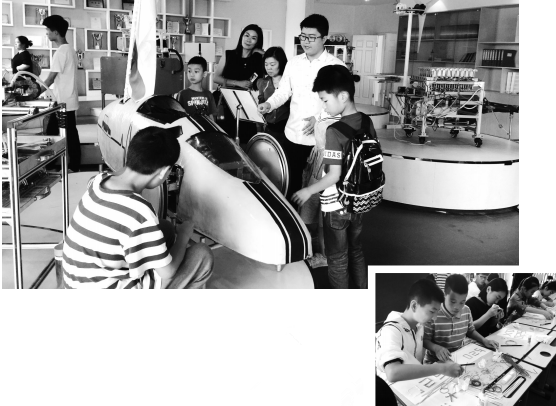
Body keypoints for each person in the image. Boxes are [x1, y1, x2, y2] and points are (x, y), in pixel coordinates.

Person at [61, 127, 214, 289]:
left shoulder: (99, 180)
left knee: (165, 228)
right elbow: (167, 272)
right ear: (163, 171)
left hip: (75, 282)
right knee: (202, 255)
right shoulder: (139, 212)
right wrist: (184, 235)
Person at [291, 65, 369, 289]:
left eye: (325, 101)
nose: (324, 107)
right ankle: (362, 294)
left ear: (343, 96)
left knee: (337, 259)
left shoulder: (334, 131)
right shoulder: (366, 121)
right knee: (356, 251)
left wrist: (308, 190)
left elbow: (333, 175)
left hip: (336, 204)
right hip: (359, 200)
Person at [258, 14, 345, 201]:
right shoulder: (293, 63)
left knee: (316, 190)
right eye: (303, 36)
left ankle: (309, 220)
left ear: (324, 38)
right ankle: (292, 217)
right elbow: (283, 92)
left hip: (320, 141)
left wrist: (319, 118)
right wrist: (269, 104)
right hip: (293, 134)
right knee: (291, 184)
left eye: (311, 37)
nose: (305, 41)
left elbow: (342, 103)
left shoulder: (336, 66)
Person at [376, 279, 463, 384]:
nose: (435, 318)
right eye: (432, 311)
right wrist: (441, 368)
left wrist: (436, 348)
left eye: (437, 312)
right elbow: (392, 373)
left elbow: (418, 343)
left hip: (414, 383)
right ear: (414, 306)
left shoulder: (419, 325)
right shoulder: (391, 331)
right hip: (394, 389)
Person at [423, 274, 499, 364]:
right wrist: (436, 348)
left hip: (457, 357)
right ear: (445, 294)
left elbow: (470, 331)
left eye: (462, 302)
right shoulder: (434, 313)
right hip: (435, 362)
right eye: (453, 301)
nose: (457, 307)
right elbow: (424, 340)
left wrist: (484, 340)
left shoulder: (466, 310)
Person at [213, 24, 265, 142]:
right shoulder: (228, 54)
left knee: (246, 140)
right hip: (226, 102)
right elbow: (216, 78)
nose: (248, 40)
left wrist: (260, 52)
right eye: (246, 35)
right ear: (241, 36)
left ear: (257, 42)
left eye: (253, 38)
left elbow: (272, 62)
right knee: (225, 140)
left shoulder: (258, 59)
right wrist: (237, 83)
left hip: (245, 104)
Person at [42, 15, 81, 172]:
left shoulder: (61, 52)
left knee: (56, 134)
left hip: (63, 102)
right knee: (65, 132)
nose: (46, 33)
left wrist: (36, 92)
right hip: (66, 100)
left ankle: (67, 167)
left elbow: (51, 78)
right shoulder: (70, 49)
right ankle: (60, 166)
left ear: (56, 32)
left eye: (48, 30)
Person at [256, 47, 290, 139]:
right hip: (269, 129)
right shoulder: (262, 82)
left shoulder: (289, 82)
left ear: (281, 63)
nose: (268, 68)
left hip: (287, 129)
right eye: (266, 64)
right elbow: (260, 105)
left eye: (272, 64)